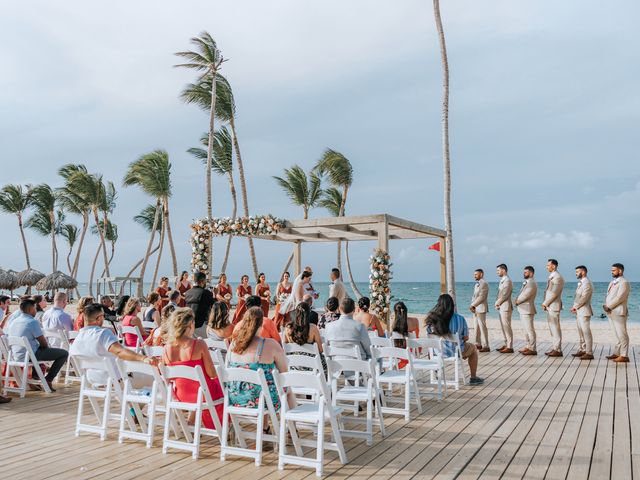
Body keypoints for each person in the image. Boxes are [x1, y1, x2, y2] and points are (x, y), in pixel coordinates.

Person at [227, 307, 292, 426]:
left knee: (263, 386)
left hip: (235, 398)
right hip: (262, 400)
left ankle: (265, 427)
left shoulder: (233, 345)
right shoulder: (270, 344)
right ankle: (293, 429)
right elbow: (284, 373)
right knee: (287, 389)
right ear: (261, 324)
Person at [162, 307, 224, 428]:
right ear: (190, 324)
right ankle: (224, 425)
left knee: (194, 385)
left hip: (181, 395)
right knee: (221, 385)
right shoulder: (199, 344)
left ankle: (191, 422)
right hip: (203, 395)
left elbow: (169, 379)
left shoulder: (166, 348)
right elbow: (212, 374)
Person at [70, 303, 158, 386]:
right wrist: (143, 358)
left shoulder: (78, 338)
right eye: (103, 316)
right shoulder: (103, 333)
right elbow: (120, 352)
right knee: (158, 379)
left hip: (92, 380)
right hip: (116, 381)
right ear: (99, 319)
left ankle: (128, 401)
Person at [5, 298, 69, 392]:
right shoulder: (32, 322)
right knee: (63, 353)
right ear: (30, 309)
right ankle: (48, 379)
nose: (36, 310)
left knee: (36, 348)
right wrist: (46, 349)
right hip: (29, 356)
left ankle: (37, 376)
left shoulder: (14, 322)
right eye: (35, 308)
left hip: (15, 355)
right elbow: (43, 342)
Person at [425, 294, 483, 385]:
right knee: (474, 349)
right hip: (455, 352)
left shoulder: (432, 320)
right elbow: (466, 337)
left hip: (438, 352)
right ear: (452, 305)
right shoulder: (460, 319)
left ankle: (436, 373)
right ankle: (473, 377)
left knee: (431, 349)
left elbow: (429, 336)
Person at [604, 263, 631, 363]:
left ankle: (624, 355)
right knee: (615, 334)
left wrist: (609, 306)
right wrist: (606, 305)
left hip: (619, 312)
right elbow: (609, 295)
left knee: (622, 333)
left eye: (614, 270)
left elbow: (620, 298)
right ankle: (617, 353)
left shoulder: (624, 282)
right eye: (611, 270)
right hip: (611, 311)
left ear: (620, 271)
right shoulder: (612, 282)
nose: (612, 272)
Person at [542, 259, 565, 357]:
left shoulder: (558, 277)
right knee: (552, 329)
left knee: (555, 328)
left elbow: (554, 293)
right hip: (550, 306)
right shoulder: (552, 276)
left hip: (554, 305)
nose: (546, 267)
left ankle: (558, 349)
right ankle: (555, 348)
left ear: (554, 266)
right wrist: (546, 304)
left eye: (548, 265)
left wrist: (545, 303)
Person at [571, 265, 594, 360]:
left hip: (584, 311)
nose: (576, 274)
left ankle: (589, 352)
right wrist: (575, 307)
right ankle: (582, 349)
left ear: (583, 272)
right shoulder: (581, 283)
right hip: (579, 311)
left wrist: (575, 307)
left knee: (586, 332)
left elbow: (584, 298)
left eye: (577, 272)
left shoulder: (587, 283)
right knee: (581, 332)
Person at [515, 266, 538, 355]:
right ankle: (528, 346)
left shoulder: (531, 283)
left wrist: (517, 301)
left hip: (528, 309)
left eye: (526, 272)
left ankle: (532, 348)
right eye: (524, 272)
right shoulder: (527, 282)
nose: (524, 274)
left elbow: (526, 295)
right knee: (525, 330)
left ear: (531, 273)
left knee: (530, 330)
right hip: (523, 309)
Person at [184, 272, 215, 338]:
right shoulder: (205, 293)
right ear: (203, 281)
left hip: (189, 325)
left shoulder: (187, 293)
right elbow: (214, 306)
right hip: (202, 325)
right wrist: (214, 294)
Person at [494, 264, 514, 353]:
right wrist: (498, 304)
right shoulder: (502, 280)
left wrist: (497, 303)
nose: (497, 272)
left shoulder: (507, 281)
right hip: (501, 306)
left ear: (504, 270)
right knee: (503, 327)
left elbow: (505, 294)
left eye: (498, 270)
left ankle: (510, 346)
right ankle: (506, 344)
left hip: (505, 307)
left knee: (507, 327)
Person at [469, 269, 490, 352]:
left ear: (481, 274)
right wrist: (472, 306)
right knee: (476, 327)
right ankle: (478, 344)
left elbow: (482, 297)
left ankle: (486, 345)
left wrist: (473, 305)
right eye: (474, 274)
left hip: (481, 308)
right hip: (475, 309)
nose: (474, 276)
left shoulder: (484, 283)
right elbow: (474, 296)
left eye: (476, 274)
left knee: (482, 327)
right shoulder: (476, 284)